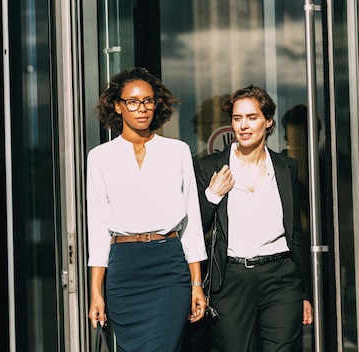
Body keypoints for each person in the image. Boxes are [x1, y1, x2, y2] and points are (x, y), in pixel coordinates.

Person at [87, 67, 208, 351]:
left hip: (168, 265)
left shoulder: (177, 151)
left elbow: (190, 222)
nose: (141, 109)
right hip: (124, 269)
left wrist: (196, 283)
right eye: (132, 101)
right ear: (117, 106)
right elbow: (96, 227)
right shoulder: (100, 157)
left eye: (148, 101)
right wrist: (96, 292)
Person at [194, 85, 313, 351]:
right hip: (231, 278)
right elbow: (194, 230)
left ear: (268, 121)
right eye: (238, 119)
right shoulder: (210, 167)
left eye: (252, 117)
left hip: (281, 277)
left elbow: (295, 232)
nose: (244, 126)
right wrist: (212, 195)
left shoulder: (285, 167)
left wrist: (303, 292)